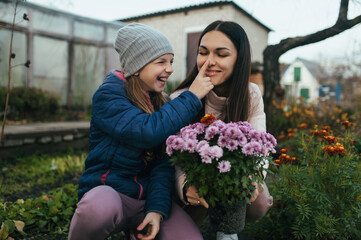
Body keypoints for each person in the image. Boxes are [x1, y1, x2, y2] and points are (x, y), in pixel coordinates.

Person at [68, 23, 214, 240]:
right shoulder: (109, 96)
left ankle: (137, 231)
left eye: (171, 62)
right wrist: (192, 97)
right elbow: (146, 131)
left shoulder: (162, 103)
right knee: (98, 210)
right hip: (110, 194)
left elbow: (163, 163)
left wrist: (156, 210)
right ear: (137, 65)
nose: (170, 69)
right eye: (161, 62)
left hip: (145, 200)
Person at [170, 20, 274, 240]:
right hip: (195, 180)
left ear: (239, 59)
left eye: (221, 54)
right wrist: (184, 185)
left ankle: (226, 229)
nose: (209, 62)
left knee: (260, 201)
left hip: (230, 176)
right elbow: (173, 159)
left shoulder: (250, 93)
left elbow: (260, 148)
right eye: (203, 52)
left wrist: (255, 176)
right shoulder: (180, 99)